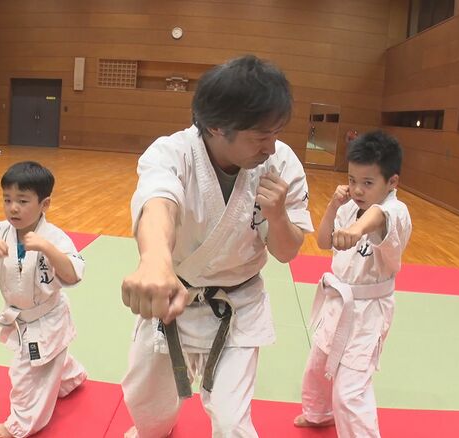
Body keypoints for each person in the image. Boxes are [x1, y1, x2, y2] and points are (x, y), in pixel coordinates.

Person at [120, 54, 314, 438]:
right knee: (147, 409)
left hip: (238, 305)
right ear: (216, 126)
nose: (272, 147)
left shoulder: (281, 164)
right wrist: (155, 262)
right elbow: (158, 202)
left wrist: (278, 215)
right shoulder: (172, 153)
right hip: (172, 298)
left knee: (231, 423)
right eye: (261, 136)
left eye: (277, 133)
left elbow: (287, 252)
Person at [293, 130, 412, 437]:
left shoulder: (396, 212)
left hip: (368, 312)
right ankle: (319, 413)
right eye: (352, 179)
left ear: (392, 182)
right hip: (338, 302)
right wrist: (333, 207)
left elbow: (377, 216)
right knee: (318, 365)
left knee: (350, 390)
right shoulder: (348, 207)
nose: (357, 189)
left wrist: (357, 229)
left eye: (368, 183)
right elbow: (323, 242)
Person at [0, 161, 87, 438]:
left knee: (25, 373)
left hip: (48, 318)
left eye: (22, 200)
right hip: (22, 318)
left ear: (44, 204)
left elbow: (73, 274)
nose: (13, 208)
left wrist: (48, 249)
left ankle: (19, 425)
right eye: (7, 200)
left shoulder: (54, 237)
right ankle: (71, 377)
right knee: (49, 359)